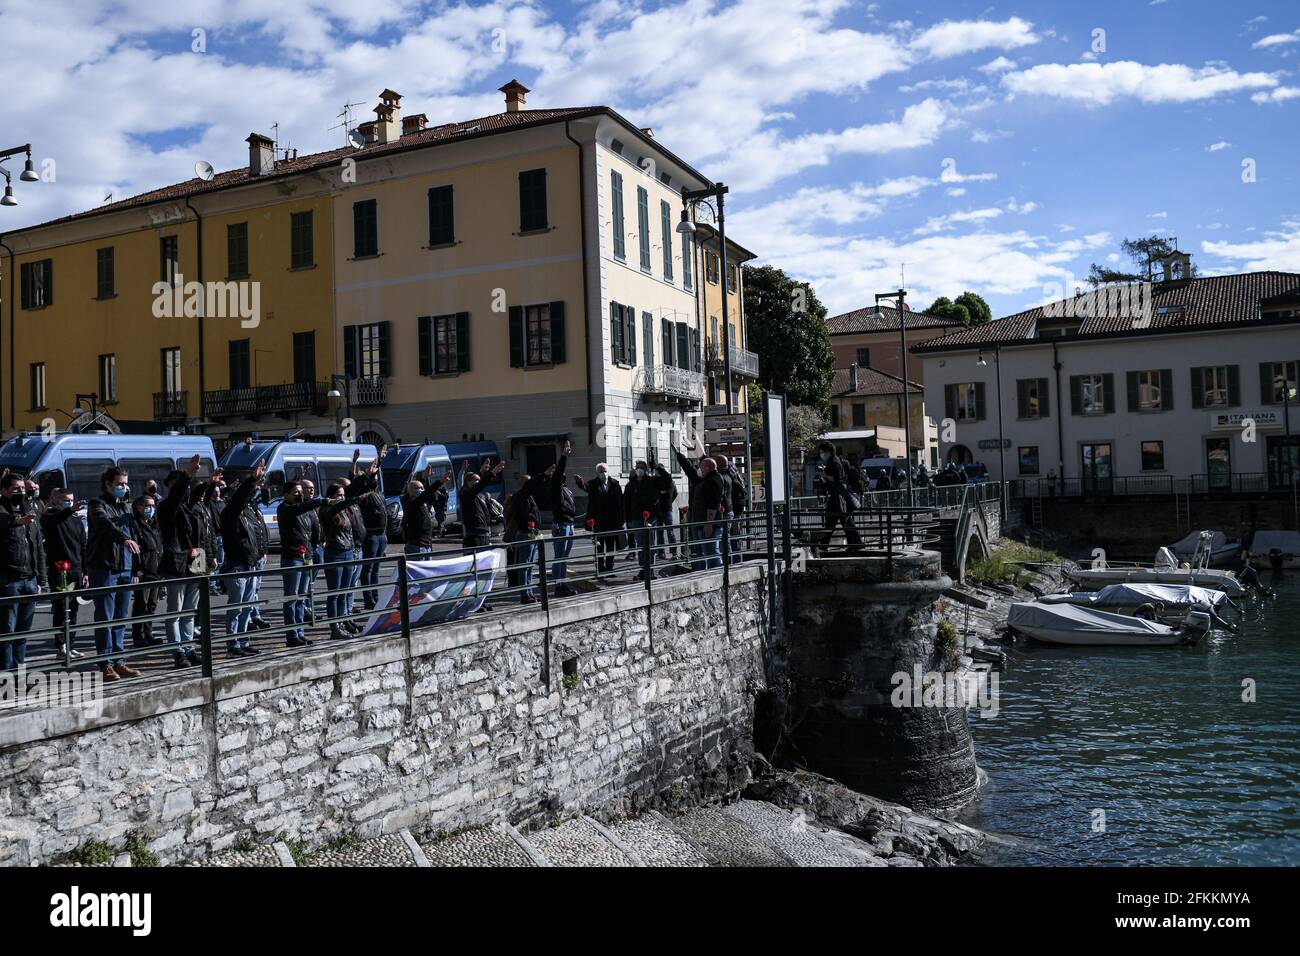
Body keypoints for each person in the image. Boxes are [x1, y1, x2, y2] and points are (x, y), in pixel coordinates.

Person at [85, 466, 142, 680]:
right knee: (105, 617)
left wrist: (136, 566)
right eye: (119, 484)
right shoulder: (97, 504)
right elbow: (105, 525)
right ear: (108, 484)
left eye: (125, 484)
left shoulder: (124, 506)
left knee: (120, 617)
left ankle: (119, 661)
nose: (124, 487)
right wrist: (124, 539)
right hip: (104, 566)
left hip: (124, 567)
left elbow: (135, 533)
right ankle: (106, 663)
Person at [158, 456, 206, 669]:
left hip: (196, 561)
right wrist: (187, 475)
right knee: (175, 610)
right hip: (177, 562)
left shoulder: (191, 508)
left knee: (190, 610)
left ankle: (189, 647)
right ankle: (177, 651)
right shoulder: (167, 507)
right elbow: (177, 497)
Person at [219, 462, 267, 657]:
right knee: (236, 607)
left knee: (247, 607)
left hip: (251, 563)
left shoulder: (248, 512)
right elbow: (239, 499)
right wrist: (250, 481)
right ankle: (233, 644)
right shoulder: (229, 513)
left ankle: (244, 640)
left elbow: (258, 534)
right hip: (237, 565)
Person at [0, 472, 46, 674]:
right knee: (6, 632)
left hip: (30, 579)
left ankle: (19, 673)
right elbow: (3, 519)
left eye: (22, 488)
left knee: (23, 632)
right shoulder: (3, 511)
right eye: (15, 489)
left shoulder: (31, 510)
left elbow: (38, 548)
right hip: (9, 580)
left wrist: (41, 580)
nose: (20, 492)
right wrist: (17, 521)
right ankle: (5, 676)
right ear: (3, 491)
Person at [277, 478, 330, 647]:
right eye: (296, 493)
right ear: (286, 494)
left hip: (306, 556)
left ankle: (300, 631)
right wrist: (317, 502)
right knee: (292, 597)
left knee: (302, 597)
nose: (299, 495)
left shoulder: (304, 510)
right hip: (292, 557)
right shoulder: (284, 509)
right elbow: (299, 509)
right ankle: (291, 634)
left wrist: (313, 549)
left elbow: (311, 530)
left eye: (301, 492)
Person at [41, 487, 86, 660]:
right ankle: (61, 646)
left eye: (71, 500)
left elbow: (83, 546)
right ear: (56, 501)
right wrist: (69, 510)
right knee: (61, 610)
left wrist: (85, 571)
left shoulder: (76, 520)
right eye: (65, 500)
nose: (69, 503)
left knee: (73, 610)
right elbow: (51, 522)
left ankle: (71, 644)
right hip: (59, 570)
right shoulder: (50, 516)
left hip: (76, 570)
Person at [321, 481, 365, 639]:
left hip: (348, 552)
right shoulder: (327, 510)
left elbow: (351, 531)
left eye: (343, 495)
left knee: (344, 591)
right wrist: (349, 500)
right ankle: (335, 627)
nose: (342, 498)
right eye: (338, 495)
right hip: (335, 553)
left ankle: (343, 622)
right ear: (331, 497)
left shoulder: (346, 511)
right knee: (335, 592)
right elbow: (334, 509)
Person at [350, 446, 389, 610]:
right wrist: (357, 463)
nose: (374, 479)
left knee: (376, 570)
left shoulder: (377, 493)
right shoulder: (363, 493)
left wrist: (380, 461)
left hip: (382, 536)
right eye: (372, 477)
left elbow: (374, 478)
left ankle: (375, 596)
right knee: (368, 569)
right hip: (371, 536)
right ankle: (368, 598)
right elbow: (355, 482)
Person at [674, 442, 724, 570]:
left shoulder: (713, 480)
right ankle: (704, 573)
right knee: (702, 552)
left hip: (708, 523)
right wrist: (679, 455)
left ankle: (718, 576)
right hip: (699, 521)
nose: (699, 469)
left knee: (711, 552)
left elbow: (712, 505)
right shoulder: (704, 479)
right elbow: (690, 471)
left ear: (707, 468)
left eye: (701, 467)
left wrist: (709, 524)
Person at [504, 468, 548, 603]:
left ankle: (529, 593)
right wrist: (543, 475)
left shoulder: (528, 496)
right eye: (528, 483)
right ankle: (525, 594)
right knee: (524, 566)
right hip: (525, 533)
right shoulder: (520, 496)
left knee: (529, 566)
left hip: (532, 533)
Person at [813, 441, 863, 553]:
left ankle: (855, 544)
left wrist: (824, 475)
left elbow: (837, 479)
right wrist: (823, 477)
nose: (821, 454)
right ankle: (825, 546)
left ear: (828, 451)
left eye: (822, 452)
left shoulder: (834, 462)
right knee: (834, 520)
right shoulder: (834, 460)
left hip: (837, 496)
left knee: (840, 520)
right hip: (836, 495)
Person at [130, 493, 164, 649]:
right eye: (147, 506)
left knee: (151, 604)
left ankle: (148, 632)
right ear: (139, 507)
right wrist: (136, 571)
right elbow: (135, 551)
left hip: (155, 571)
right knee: (140, 605)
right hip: (143, 572)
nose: (151, 508)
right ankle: (138, 636)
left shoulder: (154, 525)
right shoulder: (135, 525)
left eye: (152, 506)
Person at [576, 464, 623, 574]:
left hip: (612, 521)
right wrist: (580, 482)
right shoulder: (593, 483)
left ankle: (610, 569)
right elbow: (585, 487)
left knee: (611, 546)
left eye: (605, 471)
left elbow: (620, 502)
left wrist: (621, 520)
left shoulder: (615, 484)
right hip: (599, 522)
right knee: (599, 547)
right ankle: (600, 569)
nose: (603, 473)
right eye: (601, 471)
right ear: (597, 473)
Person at [401, 466, 452, 557]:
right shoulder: (411, 503)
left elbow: (426, 494)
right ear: (411, 491)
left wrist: (424, 478)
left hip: (427, 544)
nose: (421, 490)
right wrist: (440, 482)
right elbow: (425, 494)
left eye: (422, 488)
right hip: (417, 546)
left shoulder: (423, 502)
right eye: (419, 488)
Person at [548, 440, 578, 596]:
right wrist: (564, 457)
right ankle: (559, 586)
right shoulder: (554, 486)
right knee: (560, 557)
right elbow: (559, 473)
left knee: (564, 557)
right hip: (561, 524)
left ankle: (562, 584)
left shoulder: (565, 490)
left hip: (569, 523)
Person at [623, 460, 660, 579]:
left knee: (650, 544)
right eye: (637, 467)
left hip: (650, 517)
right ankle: (643, 570)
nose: (639, 469)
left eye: (641, 467)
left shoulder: (652, 481)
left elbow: (665, 483)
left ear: (646, 469)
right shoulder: (631, 484)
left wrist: (657, 468)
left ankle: (651, 570)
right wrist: (628, 518)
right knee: (640, 545)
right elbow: (626, 502)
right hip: (636, 518)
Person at [460, 458, 506, 550]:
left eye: (478, 480)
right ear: (468, 482)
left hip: (484, 533)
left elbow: (477, 485)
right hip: (475, 535)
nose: (477, 482)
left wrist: (481, 471)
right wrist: (491, 473)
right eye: (475, 480)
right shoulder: (465, 493)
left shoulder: (477, 495)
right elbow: (478, 486)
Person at [715, 454, 749, 565]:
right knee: (735, 536)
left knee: (732, 536)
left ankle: (734, 561)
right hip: (737, 508)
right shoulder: (735, 475)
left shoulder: (727, 476)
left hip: (734, 509)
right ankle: (736, 560)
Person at [652, 461, 677, 560]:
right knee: (659, 532)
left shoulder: (668, 480)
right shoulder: (654, 480)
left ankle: (674, 552)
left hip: (666, 509)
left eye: (657, 470)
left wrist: (669, 501)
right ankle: (661, 552)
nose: (655, 472)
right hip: (658, 509)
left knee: (670, 532)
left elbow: (675, 493)